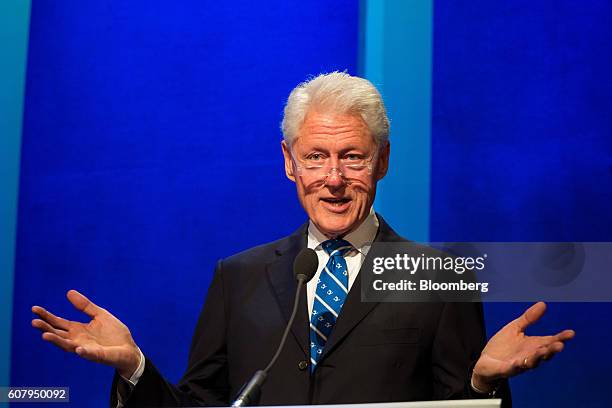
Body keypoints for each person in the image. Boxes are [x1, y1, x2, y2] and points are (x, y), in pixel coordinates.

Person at [31, 72, 574, 407]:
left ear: (382, 162)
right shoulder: (238, 276)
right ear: (289, 163)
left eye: (352, 156)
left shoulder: (436, 275)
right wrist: (134, 368)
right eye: (316, 156)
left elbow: (456, 407)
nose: (333, 178)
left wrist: (482, 385)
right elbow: (200, 406)